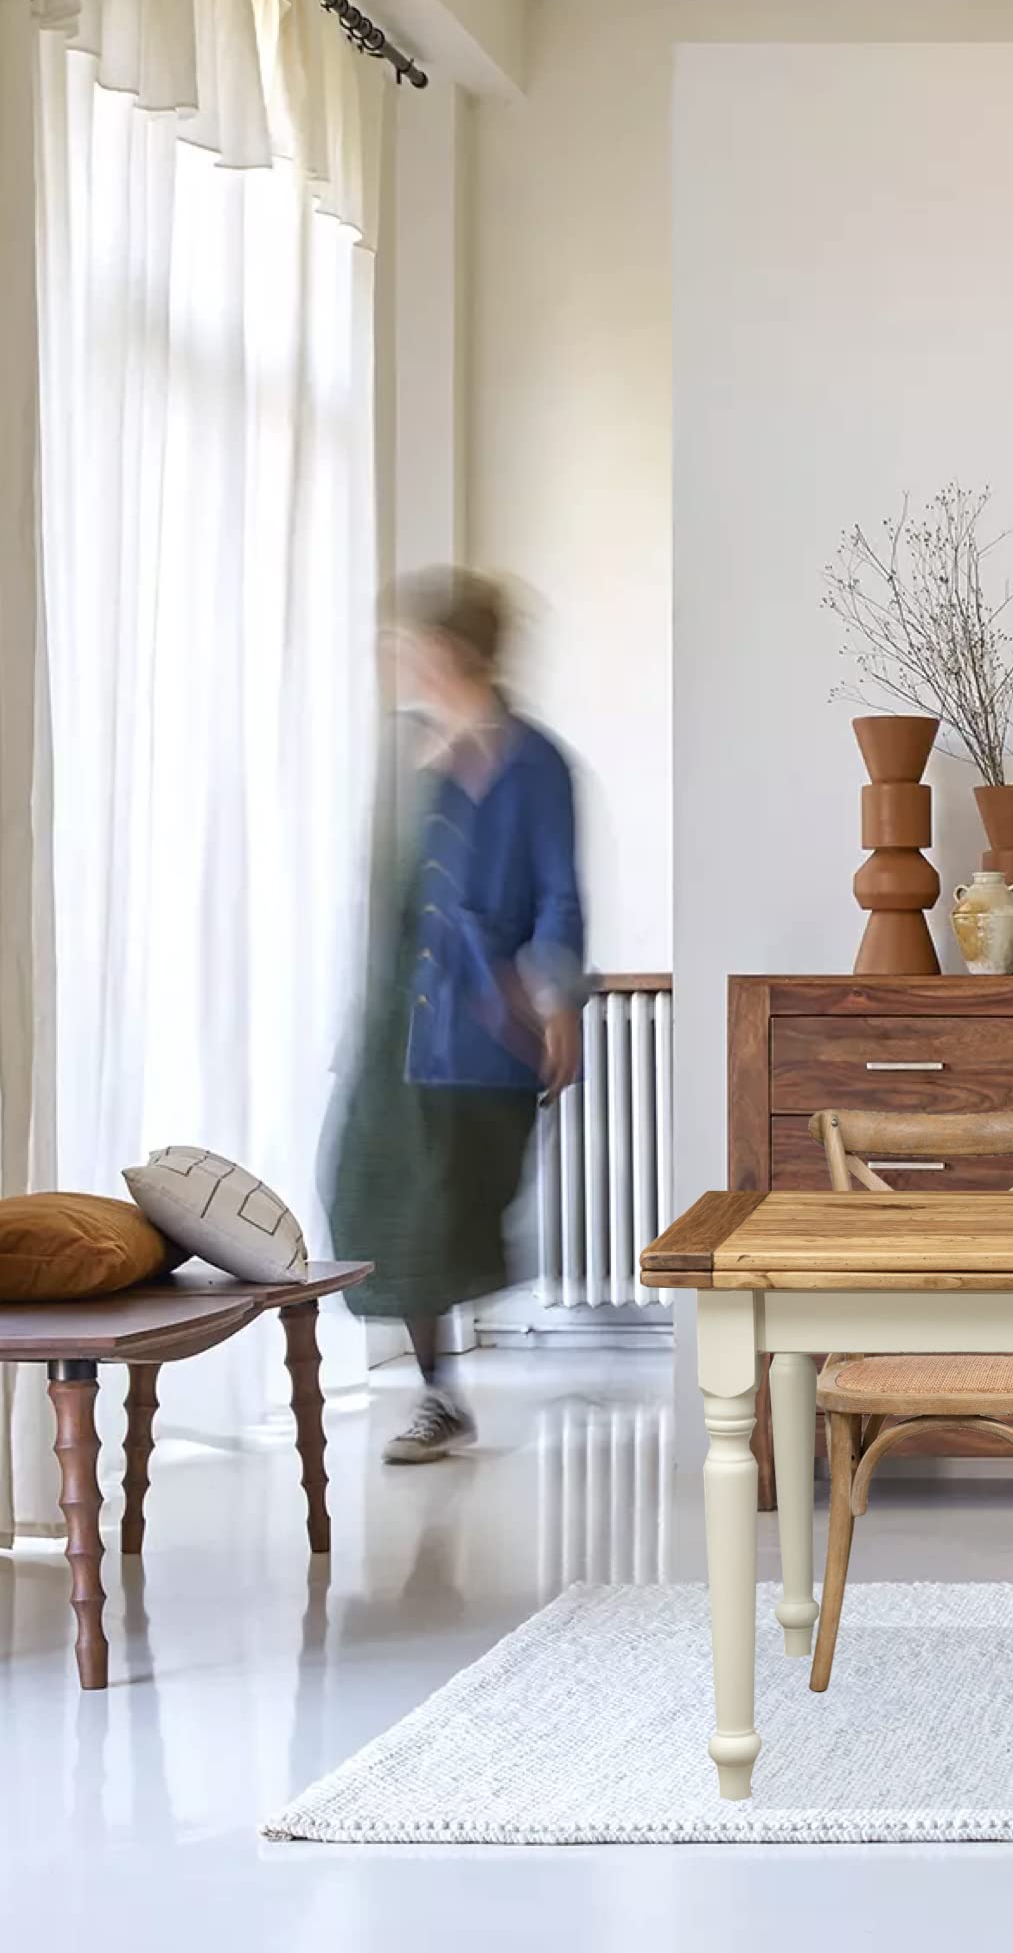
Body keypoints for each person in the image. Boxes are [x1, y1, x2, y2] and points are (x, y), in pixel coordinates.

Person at [325, 570, 585, 1462]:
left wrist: (557, 996)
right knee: (371, 1199)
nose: (397, 660)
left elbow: (559, 892)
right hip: (395, 1026)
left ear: (452, 650)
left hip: (482, 1029)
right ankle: (439, 1392)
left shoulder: (533, 762)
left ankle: (442, 1396)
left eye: (410, 645)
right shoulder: (404, 754)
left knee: (449, 1210)